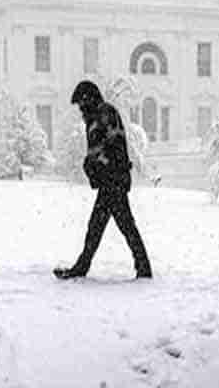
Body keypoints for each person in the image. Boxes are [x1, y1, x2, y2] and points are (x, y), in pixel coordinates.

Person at [54, 81, 153, 280]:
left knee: (114, 226)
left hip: (113, 181)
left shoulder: (105, 114)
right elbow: (97, 150)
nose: (80, 110)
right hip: (110, 181)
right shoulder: (95, 117)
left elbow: (114, 147)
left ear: (88, 99)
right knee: (107, 226)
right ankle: (141, 267)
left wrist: (97, 166)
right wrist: (91, 165)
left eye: (81, 105)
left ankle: (141, 268)